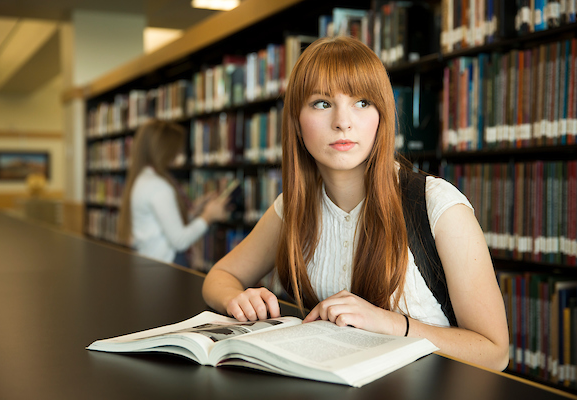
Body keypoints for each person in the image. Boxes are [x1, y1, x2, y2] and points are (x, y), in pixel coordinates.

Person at [202, 36, 509, 371]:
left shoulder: (438, 206)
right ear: (296, 123)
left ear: (382, 116)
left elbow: (495, 353)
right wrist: (237, 298)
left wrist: (391, 324)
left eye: (362, 102)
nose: (342, 122)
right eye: (321, 103)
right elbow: (221, 275)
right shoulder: (292, 207)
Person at [117, 119, 230, 267]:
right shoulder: (158, 186)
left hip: (149, 263)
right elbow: (180, 241)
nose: (178, 154)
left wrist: (195, 211)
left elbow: (162, 224)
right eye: (175, 149)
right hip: (165, 265)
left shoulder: (144, 179)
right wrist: (208, 216)